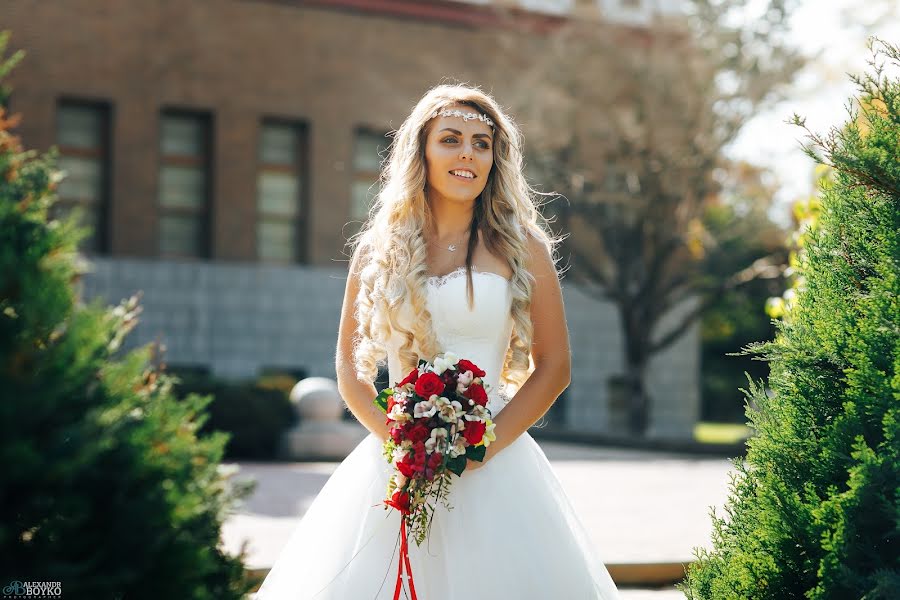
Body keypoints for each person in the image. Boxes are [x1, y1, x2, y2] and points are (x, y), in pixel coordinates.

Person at [255, 83, 621, 599]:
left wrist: (480, 448)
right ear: (421, 151)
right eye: (450, 139)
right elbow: (349, 366)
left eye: (481, 143)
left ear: (495, 160)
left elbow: (555, 366)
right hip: (397, 458)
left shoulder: (524, 249)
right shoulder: (378, 250)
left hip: (496, 460)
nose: (467, 153)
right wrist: (398, 440)